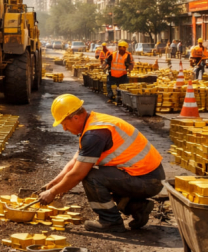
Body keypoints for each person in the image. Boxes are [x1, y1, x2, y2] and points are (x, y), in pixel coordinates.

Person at [42, 94, 164, 233]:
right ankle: (136, 207)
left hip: (147, 181)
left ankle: (110, 222)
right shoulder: (94, 123)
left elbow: (77, 173)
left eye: (64, 124)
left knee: (91, 176)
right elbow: (75, 161)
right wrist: (53, 184)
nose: (64, 129)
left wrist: (52, 193)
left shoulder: (94, 134)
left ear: (75, 118)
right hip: (147, 177)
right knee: (100, 173)